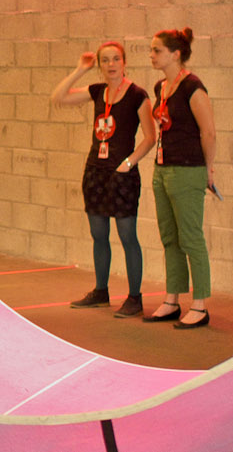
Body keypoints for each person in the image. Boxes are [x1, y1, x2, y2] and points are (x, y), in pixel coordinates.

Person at [50, 41, 156, 318]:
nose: (111, 65)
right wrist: (79, 69)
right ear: (99, 66)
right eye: (105, 61)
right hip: (95, 171)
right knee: (99, 234)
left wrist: (129, 163)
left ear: (124, 62)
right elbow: (58, 98)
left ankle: (135, 298)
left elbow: (150, 136)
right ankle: (100, 291)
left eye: (116, 59)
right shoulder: (97, 91)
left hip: (122, 175)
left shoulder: (137, 95)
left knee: (127, 235)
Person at [137, 28, 218, 329]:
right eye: (151, 50)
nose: (151, 55)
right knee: (169, 237)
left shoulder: (193, 87)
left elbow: (208, 132)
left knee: (190, 237)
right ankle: (172, 298)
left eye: (156, 50)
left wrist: (208, 170)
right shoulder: (161, 87)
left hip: (188, 170)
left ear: (175, 54)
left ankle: (200, 304)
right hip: (163, 168)